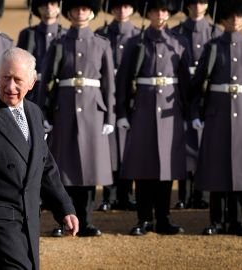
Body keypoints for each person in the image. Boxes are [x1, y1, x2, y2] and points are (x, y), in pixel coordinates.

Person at [0, 47, 79, 270]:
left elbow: (44, 164)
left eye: (17, 80)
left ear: (32, 82)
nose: (10, 87)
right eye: (5, 78)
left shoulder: (33, 112)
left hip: (29, 221)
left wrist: (64, 208)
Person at [39, 0, 116, 237]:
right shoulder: (59, 43)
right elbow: (46, 83)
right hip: (65, 111)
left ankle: (87, 220)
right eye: (76, 8)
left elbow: (109, 85)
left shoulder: (102, 44)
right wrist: (45, 114)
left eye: (84, 8)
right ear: (69, 12)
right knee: (64, 169)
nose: (80, 12)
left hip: (94, 110)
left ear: (91, 12)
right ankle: (64, 219)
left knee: (89, 168)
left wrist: (110, 116)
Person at [116, 0, 190, 236]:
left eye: (164, 10)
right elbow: (124, 81)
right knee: (143, 164)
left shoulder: (179, 42)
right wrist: (122, 113)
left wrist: (189, 113)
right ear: (148, 13)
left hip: (170, 112)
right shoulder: (135, 42)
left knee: (166, 166)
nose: (160, 14)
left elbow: (186, 84)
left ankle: (164, 217)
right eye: (156, 10)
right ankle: (144, 218)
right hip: (142, 110)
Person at [190, 0, 242, 236]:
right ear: (223, 20)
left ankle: (237, 220)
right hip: (217, 114)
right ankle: (216, 220)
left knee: (240, 170)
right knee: (217, 169)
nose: (235, 21)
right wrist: (196, 113)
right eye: (230, 17)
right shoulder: (213, 47)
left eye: (239, 17)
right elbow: (198, 85)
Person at [171, 0, 221, 210]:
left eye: (201, 2)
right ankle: (185, 194)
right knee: (185, 143)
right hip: (184, 89)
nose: (197, 6)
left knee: (206, 144)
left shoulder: (215, 31)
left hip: (207, 92)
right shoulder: (176, 31)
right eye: (193, 2)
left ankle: (203, 194)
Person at [95, 0, 139, 212]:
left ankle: (126, 194)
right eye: (118, 6)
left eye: (126, 6)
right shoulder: (101, 33)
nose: (122, 10)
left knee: (129, 148)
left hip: (131, 95)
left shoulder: (138, 35)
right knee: (110, 148)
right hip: (107, 93)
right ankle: (109, 196)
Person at [17, 0, 65, 102]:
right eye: (44, 3)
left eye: (53, 3)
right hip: (32, 92)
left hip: (57, 93)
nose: (48, 7)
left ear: (59, 7)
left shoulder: (66, 36)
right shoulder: (27, 34)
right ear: (37, 8)